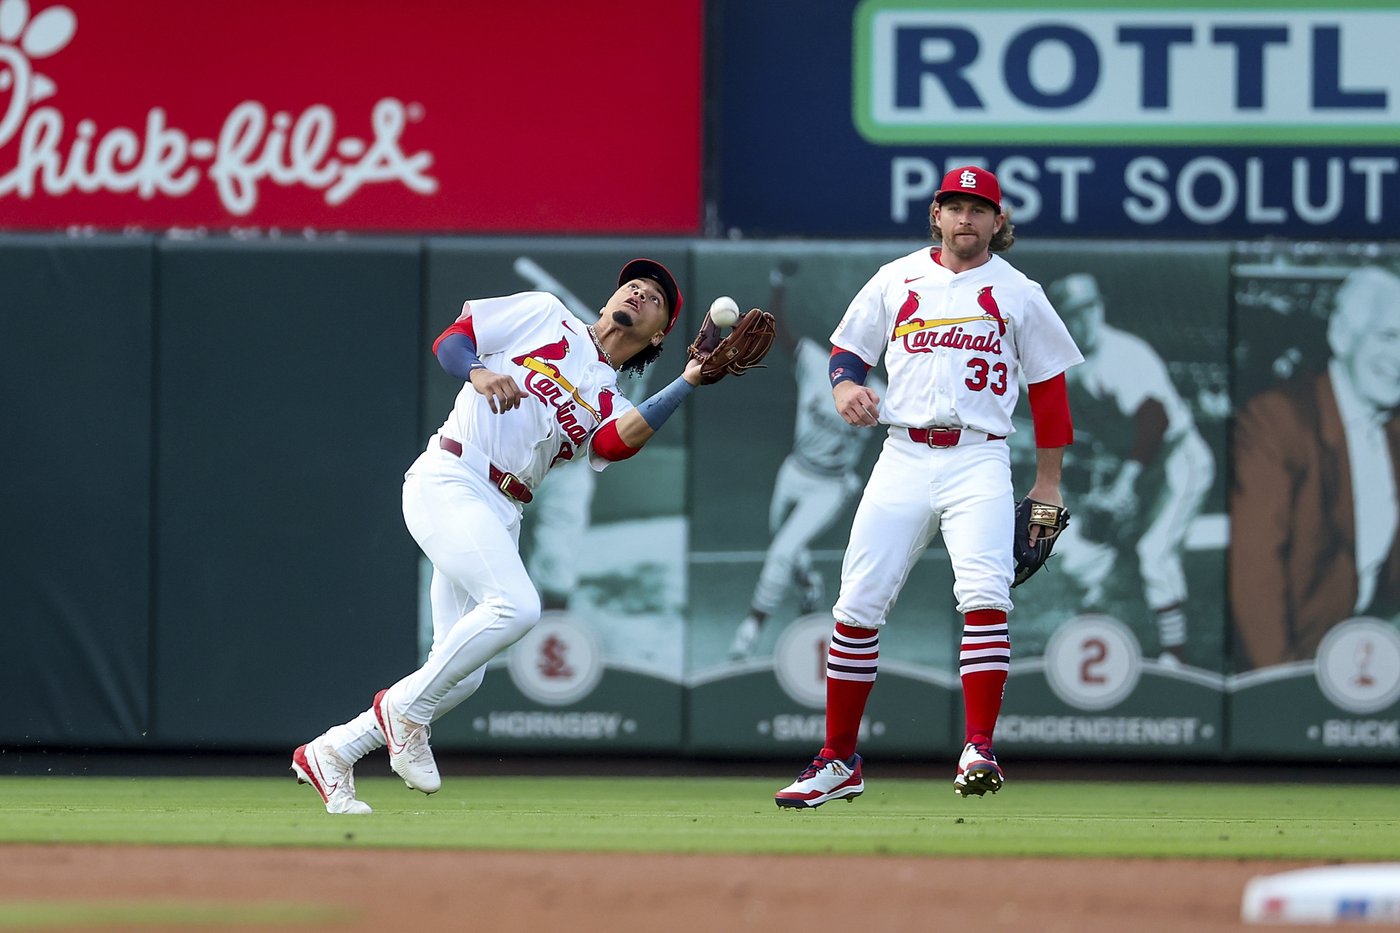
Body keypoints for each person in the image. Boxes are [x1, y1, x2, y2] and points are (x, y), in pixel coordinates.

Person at [292, 258, 703, 814]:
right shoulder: (546, 314)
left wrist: (689, 380)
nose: (639, 291)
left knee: (461, 677)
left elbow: (612, 446)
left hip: (502, 509)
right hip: (452, 476)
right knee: (515, 607)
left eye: (655, 297)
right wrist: (477, 372)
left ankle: (333, 752)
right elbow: (452, 341)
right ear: (609, 299)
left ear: (658, 334)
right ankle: (402, 715)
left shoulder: (608, 396)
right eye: (633, 283)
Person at [774, 165, 1083, 807]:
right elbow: (847, 352)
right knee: (856, 605)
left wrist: (1048, 484)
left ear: (999, 223)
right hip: (902, 455)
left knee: (985, 596)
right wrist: (843, 386)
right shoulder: (897, 278)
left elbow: (1051, 392)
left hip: (979, 459)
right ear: (936, 214)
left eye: (979, 207)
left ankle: (978, 747)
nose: (966, 217)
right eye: (954, 205)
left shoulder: (1019, 292)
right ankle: (837, 760)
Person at [1231, 265, 1400, 669]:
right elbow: (1255, 577)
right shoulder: (1276, 421)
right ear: (1343, 336)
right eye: (1389, 336)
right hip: (1291, 674)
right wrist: (1280, 691)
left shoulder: (1392, 431)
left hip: (1362, 671)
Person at [1044, 273, 1215, 665]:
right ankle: (1097, 622)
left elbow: (1154, 421)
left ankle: (1176, 657)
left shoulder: (1124, 354)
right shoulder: (1063, 362)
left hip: (1177, 459)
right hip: (1133, 462)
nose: (1084, 319)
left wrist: (1124, 484)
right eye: (1073, 313)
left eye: (1090, 308)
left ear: (1101, 307)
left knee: (1155, 552)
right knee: (1077, 546)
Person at [729, 260, 886, 659]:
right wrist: (777, 284)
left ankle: (751, 627)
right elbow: (775, 329)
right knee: (785, 545)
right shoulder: (818, 362)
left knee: (782, 550)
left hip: (831, 486)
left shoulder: (884, 391)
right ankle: (808, 583)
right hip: (795, 472)